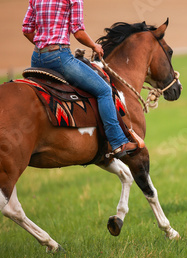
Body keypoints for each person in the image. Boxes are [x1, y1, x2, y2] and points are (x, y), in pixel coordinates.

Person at [22, 0, 137, 158]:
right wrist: (94, 47)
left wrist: (43, 46)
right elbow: (78, 32)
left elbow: (27, 30)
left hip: (37, 57)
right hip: (59, 57)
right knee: (104, 90)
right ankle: (118, 142)